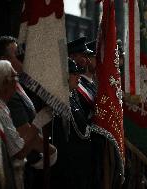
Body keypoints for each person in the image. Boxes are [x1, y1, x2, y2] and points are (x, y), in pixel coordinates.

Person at [0, 36, 57, 189]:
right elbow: (19, 145)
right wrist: (48, 150)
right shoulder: (6, 95)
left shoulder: (20, 85)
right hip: (18, 168)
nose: (24, 60)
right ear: (3, 61)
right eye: (18, 56)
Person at [50, 58, 92, 189]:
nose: (78, 76)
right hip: (67, 169)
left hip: (80, 165)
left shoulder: (72, 97)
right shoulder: (56, 102)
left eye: (78, 72)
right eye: (74, 73)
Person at [67, 37, 97, 118]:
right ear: (72, 57)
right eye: (84, 56)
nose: (87, 60)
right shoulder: (72, 84)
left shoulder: (81, 83)